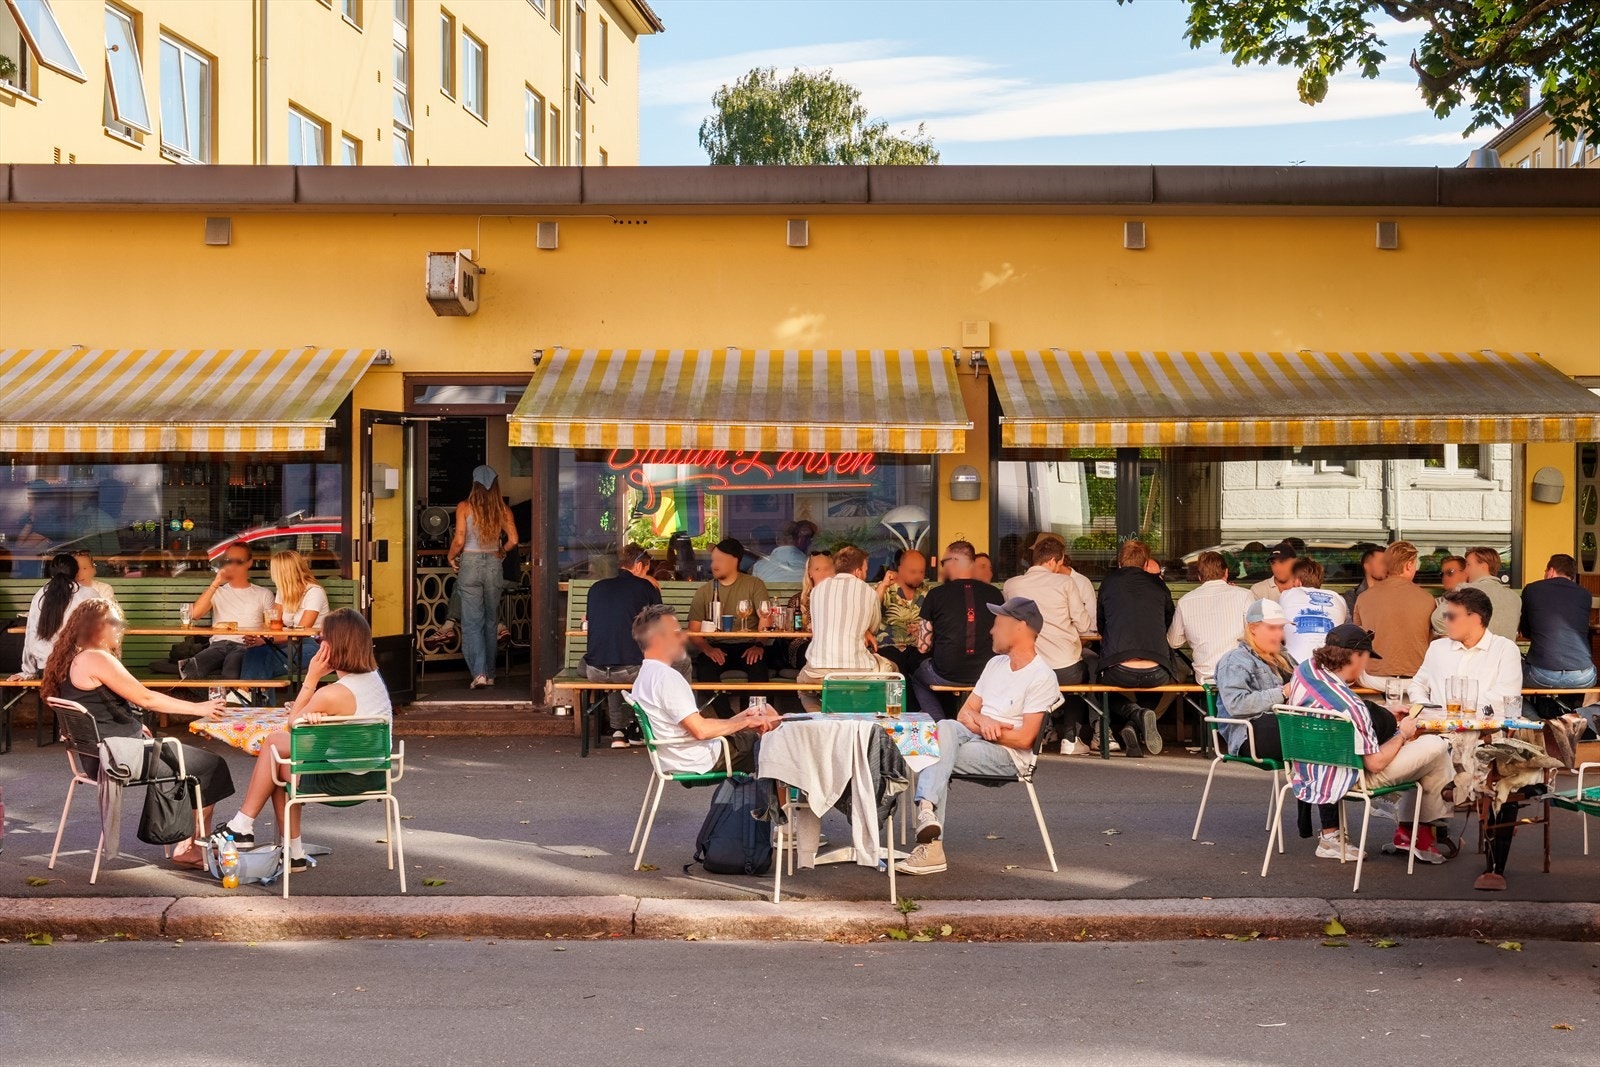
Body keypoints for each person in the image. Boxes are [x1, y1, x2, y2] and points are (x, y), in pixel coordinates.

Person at [41, 599, 231, 869]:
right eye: (115, 623)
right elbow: (146, 698)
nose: (121, 629)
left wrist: (131, 724)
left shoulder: (72, 658)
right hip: (119, 759)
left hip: (96, 756)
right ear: (97, 626)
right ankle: (190, 848)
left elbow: (96, 707)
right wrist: (200, 708)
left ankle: (184, 840)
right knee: (211, 766)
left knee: (190, 763)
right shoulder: (97, 658)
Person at [215, 609, 392, 873]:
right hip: (375, 775)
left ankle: (244, 827)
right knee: (277, 754)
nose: (317, 643)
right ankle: (288, 852)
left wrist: (311, 680)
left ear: (333, 646)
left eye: (320, 638)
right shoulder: (373, 679)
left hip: (341, 781)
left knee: (275, 754)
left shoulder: (332, 694)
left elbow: (293, 725)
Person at [897, 597, 1062, 876]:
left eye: (998, 624)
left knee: (935, 750)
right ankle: (926, 811)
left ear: (1020, 627)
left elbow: (1024, 740)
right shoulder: (995, 664)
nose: (991, 630)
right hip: (975, 738)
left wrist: (989, 731)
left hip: (1008, 756)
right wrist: (985, 722)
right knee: (945, 727)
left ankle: (931, 843)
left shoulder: (1041, 676)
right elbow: (965, 714)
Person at [1287, 624, 1453, 864]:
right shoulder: (1352, 708)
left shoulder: (1305, 670)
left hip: (1306, 766)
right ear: (1356, 656)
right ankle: (1420, 827)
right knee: (1436, 746)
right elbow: (1375, 764)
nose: (1365, 665)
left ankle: (1414, 827)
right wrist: (1403, 733)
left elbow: (1336, 699)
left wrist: (1383, 711)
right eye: (1365, 658)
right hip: (1348, 778)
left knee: (1430, 757)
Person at [628, 604, 778, 774]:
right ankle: (780, 792)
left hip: (680, 757)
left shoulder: (645, 676)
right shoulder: (666, 678)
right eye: (677, 633)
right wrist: (746, 722)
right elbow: (700, 730)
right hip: (701, 759)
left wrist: (744, 717)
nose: (683, 638)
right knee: (779, 736)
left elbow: (694, 727)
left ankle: (755, 790)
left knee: (767, 712)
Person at [1003, 534, 1093, 753]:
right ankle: (1070, 739)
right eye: (1060, 563)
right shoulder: (1066, 582)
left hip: (1027, 668)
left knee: (1034, 685)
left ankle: (1036, 735)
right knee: (1084, 672)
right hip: (1065, 669)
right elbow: (1084, 625)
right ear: (1053, 560)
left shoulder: (1011, 585)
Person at [1097, 539, 1176, 756]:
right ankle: (1135, 724)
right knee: (1158, 682)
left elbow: (1101, 625)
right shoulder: (1158, 585)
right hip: (1157, 671)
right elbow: (1168, 622)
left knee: (1099, 689)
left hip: (1118, 669)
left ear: (1120, 563)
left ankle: (1135, 715)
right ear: (1145, 564)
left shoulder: (1109, 583)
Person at [910, 541, 1005, 719]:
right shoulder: (995, 594)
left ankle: (940, 723)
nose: (942, 567)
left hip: (946, 672)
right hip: (986, 673)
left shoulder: (936, 594)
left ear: (954, 560)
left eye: (943, 562)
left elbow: (923, 647)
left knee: (918, 677)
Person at [447, 465, 520, 690]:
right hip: (493, 566)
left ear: (474, 484)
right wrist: (502, 551)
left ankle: (478, 674)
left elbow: (459, 539)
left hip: (470, 563)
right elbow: (514, 539)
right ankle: (490, 673)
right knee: (490, 620)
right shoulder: (503, 509)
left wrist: (451, 557)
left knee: (472, 622)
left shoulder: (464, 507)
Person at [583, 544, 664, 748]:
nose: (646, 576)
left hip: (595, 671)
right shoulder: (646, 588)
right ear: (639, 566)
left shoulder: (597, 588)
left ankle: (618, 731)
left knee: (610, 662)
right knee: (665, 664)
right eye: (646, 571)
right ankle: (641, 727)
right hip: (629, 670)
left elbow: (589, 620)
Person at [797, 545, 891, 707]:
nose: (866, 574)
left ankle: (818, 715)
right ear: (857, 571)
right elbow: (873, 627)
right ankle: (868, 713)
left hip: (818, 668)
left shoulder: (817, 590)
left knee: (803, 687)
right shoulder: (868, 591)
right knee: (892, 670)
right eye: (865, 570)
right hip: (858, 669)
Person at [688, 538, 771, 717]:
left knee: (759, 666)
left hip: (748, 645)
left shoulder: (754, 584)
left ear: (735, 561)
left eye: (719, 560)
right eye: (712, 560)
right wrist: (708, 649)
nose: (713, 565)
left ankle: (752, 718)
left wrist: (759, 644)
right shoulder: (704, 591)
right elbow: (693, 630)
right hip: (716, 646)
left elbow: (766, 617)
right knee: (705, 669)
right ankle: (728, 719)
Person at [179, 542, 277, 681]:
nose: (233, 565)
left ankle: (226, 694)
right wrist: (216, 582)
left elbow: (271, 626)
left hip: (244, 645)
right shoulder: (217, 591)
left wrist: (260, 638)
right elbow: (195, 615)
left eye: (239, 561)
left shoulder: (263, 594)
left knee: (231, 672)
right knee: (190, 671)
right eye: (229, 561)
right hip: (218, 645)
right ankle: (217, 694)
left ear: (249, 563)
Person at [1168, 549, 1254, 688]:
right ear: (1226, 572)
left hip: (1205, 678)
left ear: (1199, 576)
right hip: (1239, 674)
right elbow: (1255, 633)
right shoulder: (1244, 595)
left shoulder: (1185, 601)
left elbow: (1173, 642)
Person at [1352, 541, 1435, 682]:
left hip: (1374, 677)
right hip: (1415, 678)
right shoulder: (1428, 599)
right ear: (1409, 565)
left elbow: (1357, 637)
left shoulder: (1363, 597)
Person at [11, 553, 103, 679]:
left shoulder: (40, 595)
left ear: (51, 573)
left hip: (46, 669)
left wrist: (28, 672)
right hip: (80, 668)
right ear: (76, 573)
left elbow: (31, 635)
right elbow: (100, 632)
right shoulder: (90, 595)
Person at [242, 549, 329, 682]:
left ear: (283, 573)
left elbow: (302, 632)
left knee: (264, 662)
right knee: (254, 652)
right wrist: (258, 638)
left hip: (313, 645)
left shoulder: (314, 592)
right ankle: (248, 692)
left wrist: (267, 639)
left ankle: (245, 692)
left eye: (274, 571)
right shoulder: (283, 591)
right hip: (288, 642)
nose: (271, 574)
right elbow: (273, 622)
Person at [1520, 553, 1598, 691]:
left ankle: (1531, 707)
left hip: (1542, 675)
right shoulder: (1585, 594)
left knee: (1512, 671)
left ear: (1551, 571)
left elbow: (1525, 630)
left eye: (1545, 571)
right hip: (1583, 676)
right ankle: (1578, 705)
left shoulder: (1532, 589)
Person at [1430, 547, 1520, 641]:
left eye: (1468, 565)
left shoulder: (1466, 590)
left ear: (1483, 566)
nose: (1466, 570)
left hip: (1475, 649)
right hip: (1505, 650)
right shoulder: (1515, 598)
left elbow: (1438, 618)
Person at [875, 548, 933, 678]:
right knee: (895, 668)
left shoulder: (930, 592)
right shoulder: (884, 588)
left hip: (919, 648)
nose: (918, 576)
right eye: (912, 571)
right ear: (899, 569)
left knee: (926, 668)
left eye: (922, 572)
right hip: (888, 647)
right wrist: (883, 586)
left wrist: (925, 628)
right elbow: (870, 610)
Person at [1279, 556, 1347, 663]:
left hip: (1296, 665)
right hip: (1331, 663)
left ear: (1297, 582)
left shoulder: (1286, 595)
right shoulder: (1339, 598)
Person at [752, 520, 817, 583]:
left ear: (777, 539)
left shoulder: (759, 567)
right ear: (798, 540)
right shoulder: (812, 566)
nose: (808, 542)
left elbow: (754, 589)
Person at [1342, 545, 1387, 617]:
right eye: (1382, 562)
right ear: (1367, 566)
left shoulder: (1393, 594)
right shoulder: (1352, 597)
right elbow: (1352, 621)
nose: (1387, 567)